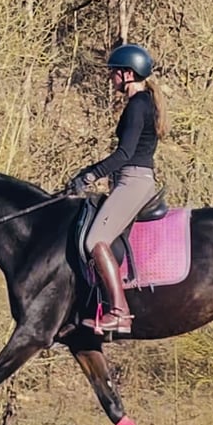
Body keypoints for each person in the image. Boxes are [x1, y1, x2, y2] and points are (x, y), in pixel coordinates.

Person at [67, 44, 169, 334]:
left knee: (94, 240)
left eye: (113, 73)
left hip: (133, 179)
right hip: (131, 178)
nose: (111, 78)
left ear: (127, 74)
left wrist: (91, 174)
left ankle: (119, 313)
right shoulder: (143, 102)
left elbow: (124, 154)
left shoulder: (138, 104)